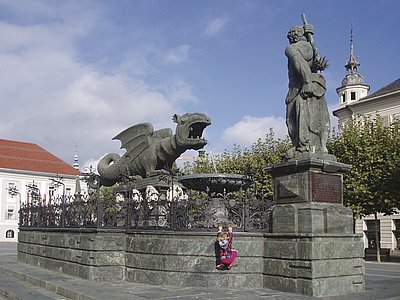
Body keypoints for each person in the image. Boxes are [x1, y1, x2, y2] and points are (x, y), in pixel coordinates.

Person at [284, 22, 330, 160]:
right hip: (317, 86)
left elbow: (300, 64)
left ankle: (301, 147)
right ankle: (320, 147)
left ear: (293, 37)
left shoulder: (291, 49)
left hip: (299, 88)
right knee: (317, 118)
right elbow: (319, 62)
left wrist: (307, 82)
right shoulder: (310, 48)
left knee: (292, 120)